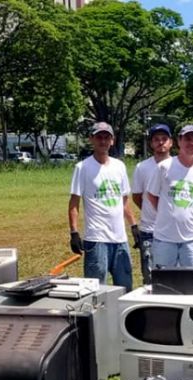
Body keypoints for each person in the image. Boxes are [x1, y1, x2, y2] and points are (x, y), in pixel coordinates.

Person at [68, 121, 135, 290]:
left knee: (126, 288)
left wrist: (134, 226)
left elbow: (124, 201)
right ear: (91, 139)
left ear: (112, 140)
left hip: (120, 240)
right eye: (99, 137)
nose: (103, 141)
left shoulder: (119, 166)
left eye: (107, 137)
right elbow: (74, 203)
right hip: (96, 240)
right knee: (96, 291)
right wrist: (74, 233)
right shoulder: (82, 167)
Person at [147, 124, 193, 275]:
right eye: (187, 139)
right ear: (179, 141)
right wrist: (167, 211)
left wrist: (190, 212)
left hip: (192, 240)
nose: (191, 143)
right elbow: (151, 195)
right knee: (163, 285)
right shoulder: (164, 167)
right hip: (164, 239)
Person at [131, 123, 172, 285]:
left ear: (171, 142)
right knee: (150, 277)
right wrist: (152, 210)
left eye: (164, 139)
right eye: (156, 139)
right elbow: (136, 196)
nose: (160, 143)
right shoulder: (142, 167)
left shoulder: (178, 165)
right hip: (149, 230)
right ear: (151, 143)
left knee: (172, 277)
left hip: (171, 230)